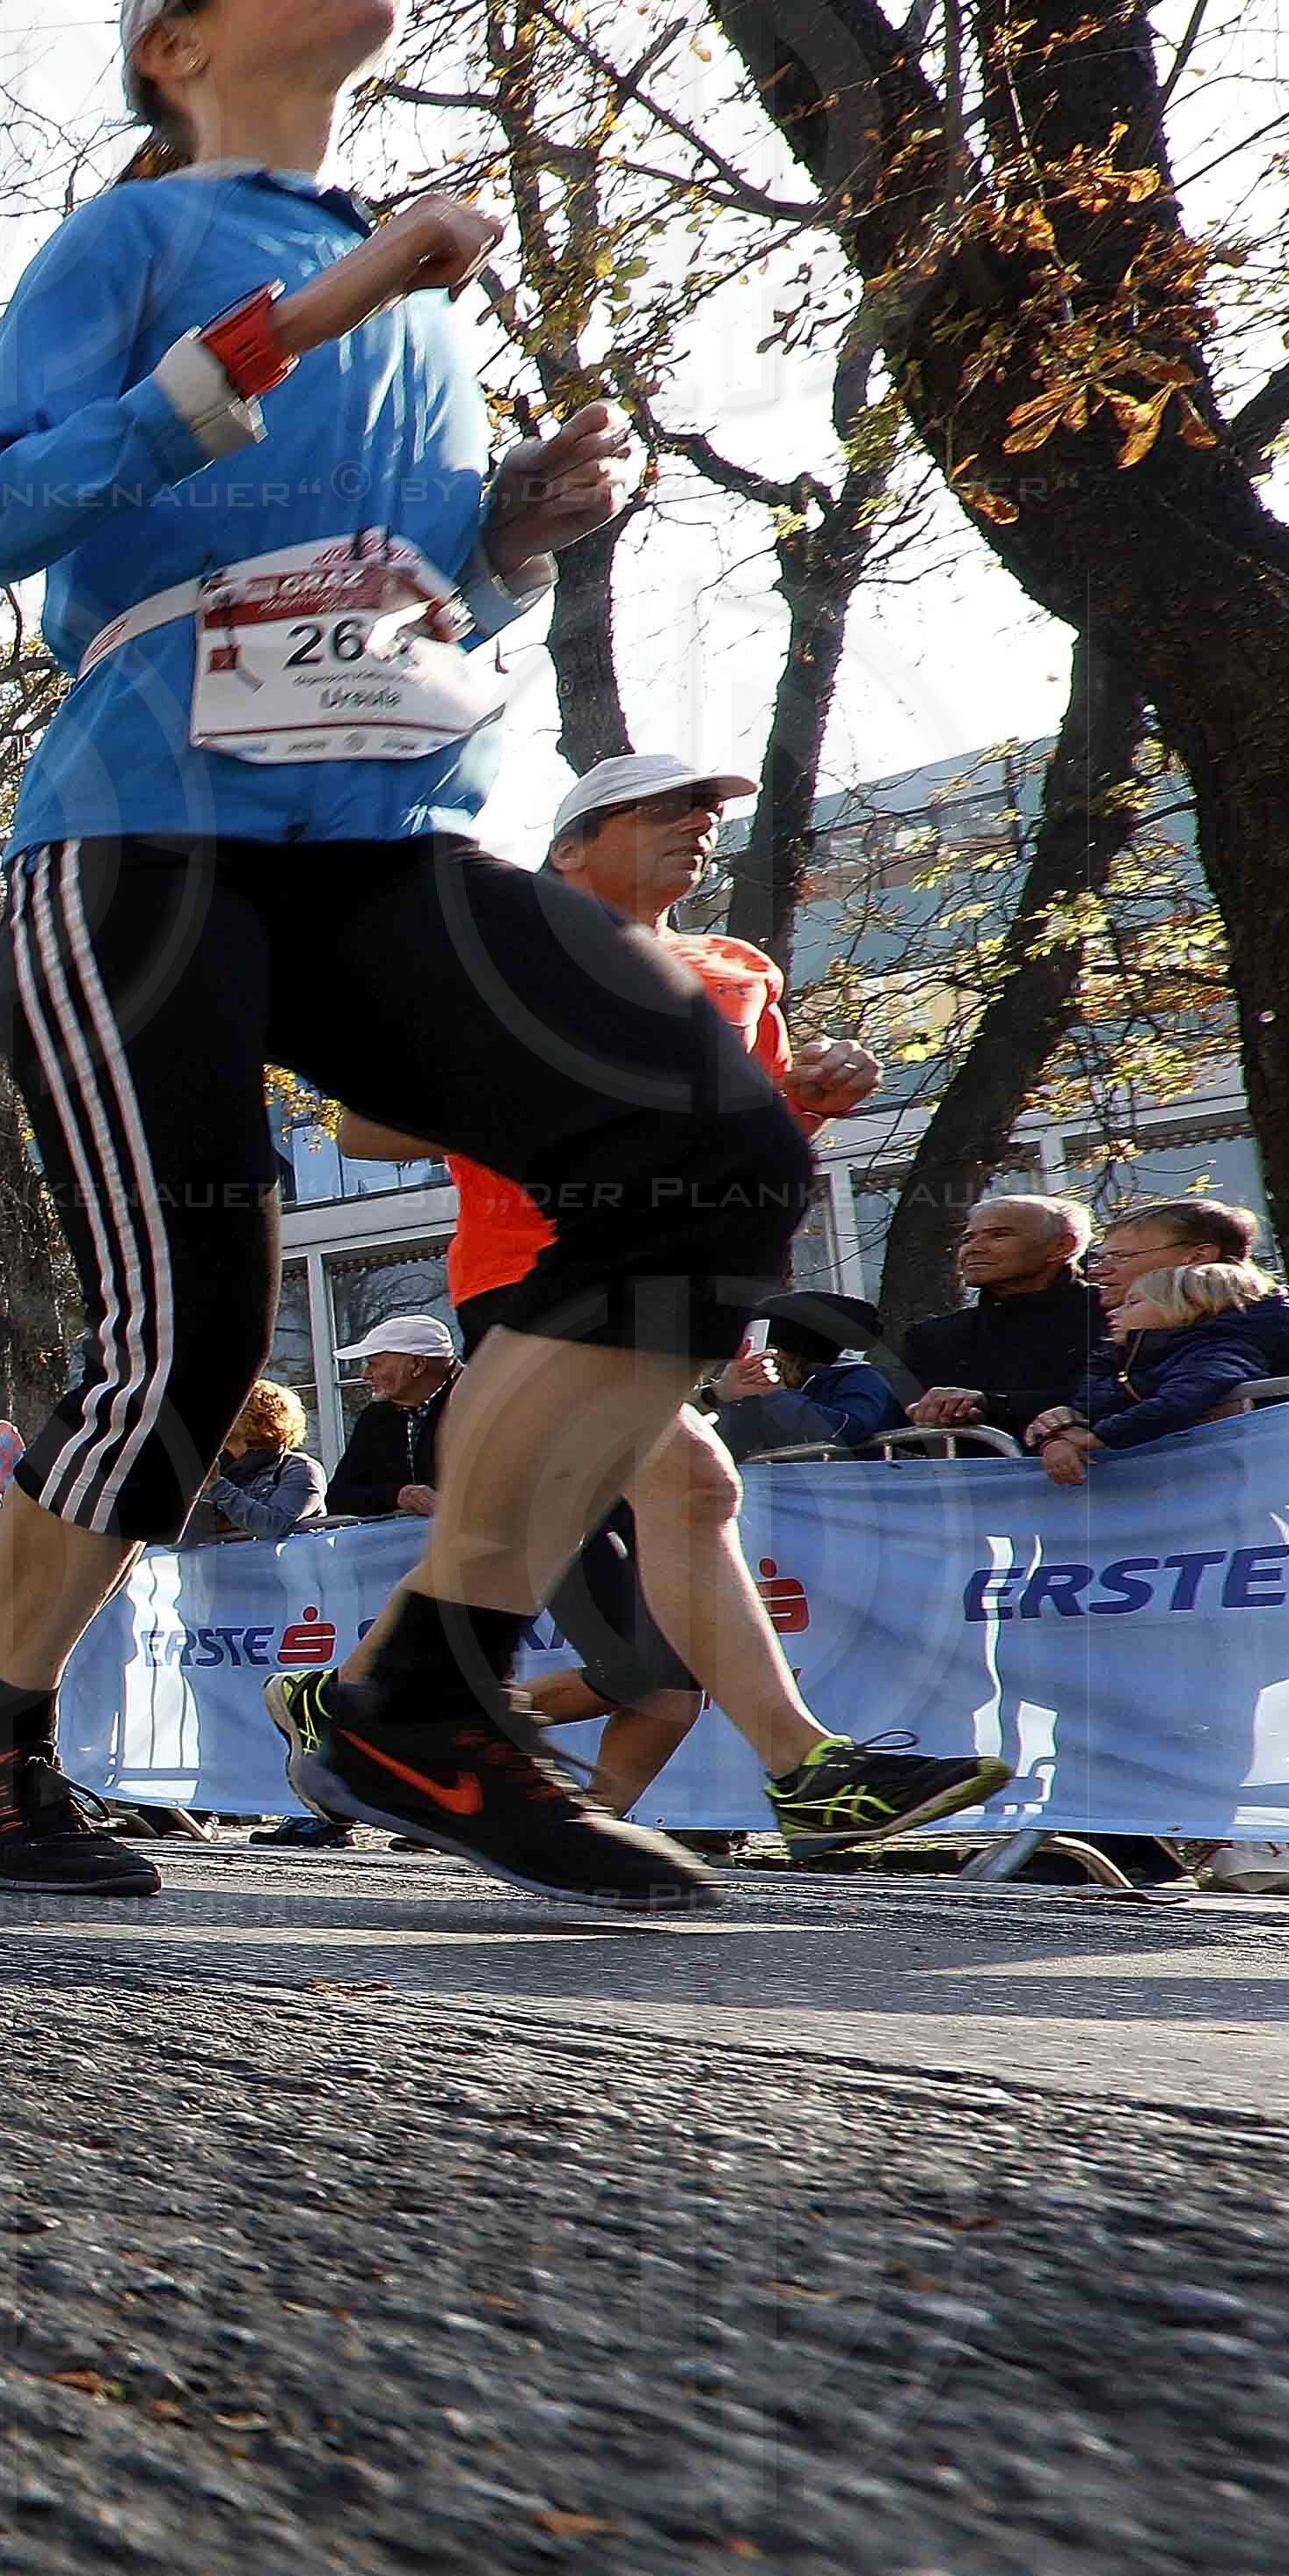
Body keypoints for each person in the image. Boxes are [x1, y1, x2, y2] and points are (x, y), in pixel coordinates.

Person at [0, 0, 818, 1910]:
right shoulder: (130, 245)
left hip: (377, 842)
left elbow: (407, 601)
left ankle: (426, 1684)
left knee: (702, 1154)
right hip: (139, 847)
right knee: (187, 1328)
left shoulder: (422, 297)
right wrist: (288, 324)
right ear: (173, 39)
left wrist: (503, 531)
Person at [333, 755, 993, 1852]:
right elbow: (366, 1129)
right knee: (688, 1481)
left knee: (605, 1507)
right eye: (662, 809)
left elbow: (755, 1131)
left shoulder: (737, 969)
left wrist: (813, 1095)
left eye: (708, 810)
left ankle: (359, 1699)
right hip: (535, 1265)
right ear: (571, 848)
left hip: (672, 1278)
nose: (697, 824)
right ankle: (804, 1768)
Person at [1043, 1258, 1289, 1482]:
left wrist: (1096, 1438)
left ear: (1190, 1307)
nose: (1115, 1312)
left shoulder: (1217, 1350)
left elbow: (1182, 1399)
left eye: (1133, 1303)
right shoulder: (1124, 1357)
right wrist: (1059, 1432)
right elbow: (1092, 1402)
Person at [896, 1196, 1108, 1441]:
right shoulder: (932, 1338)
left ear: (1061, 1247)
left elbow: (1118, 1394)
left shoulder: (1115, 1312)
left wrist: (991, 1405)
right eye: (968, 1238)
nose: (974, 1248)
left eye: (999, 1235)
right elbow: (907, 1429)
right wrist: (944, 1415)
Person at [708, 1295, 903, 1457]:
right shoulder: (771, 1389)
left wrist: (776, 1395)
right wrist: (725, 1398)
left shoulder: (860, 1378)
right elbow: (731, 1447)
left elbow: (849, 1430)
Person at [325, 1318, 455, 1517]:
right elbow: (338, 1498)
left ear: (417, 1365)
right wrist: (396, 1496)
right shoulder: (376, 1417)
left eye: (373, 1364)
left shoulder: (480, 1403)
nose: (365, 1374)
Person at [180, 1381, 326, 1542]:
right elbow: (179, 1543)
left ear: (254, 1419)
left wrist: (216, 1486)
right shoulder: (220, 1468)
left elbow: (270, 1526)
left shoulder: (299, 1469)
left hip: (281, 1567)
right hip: (221, 1567)